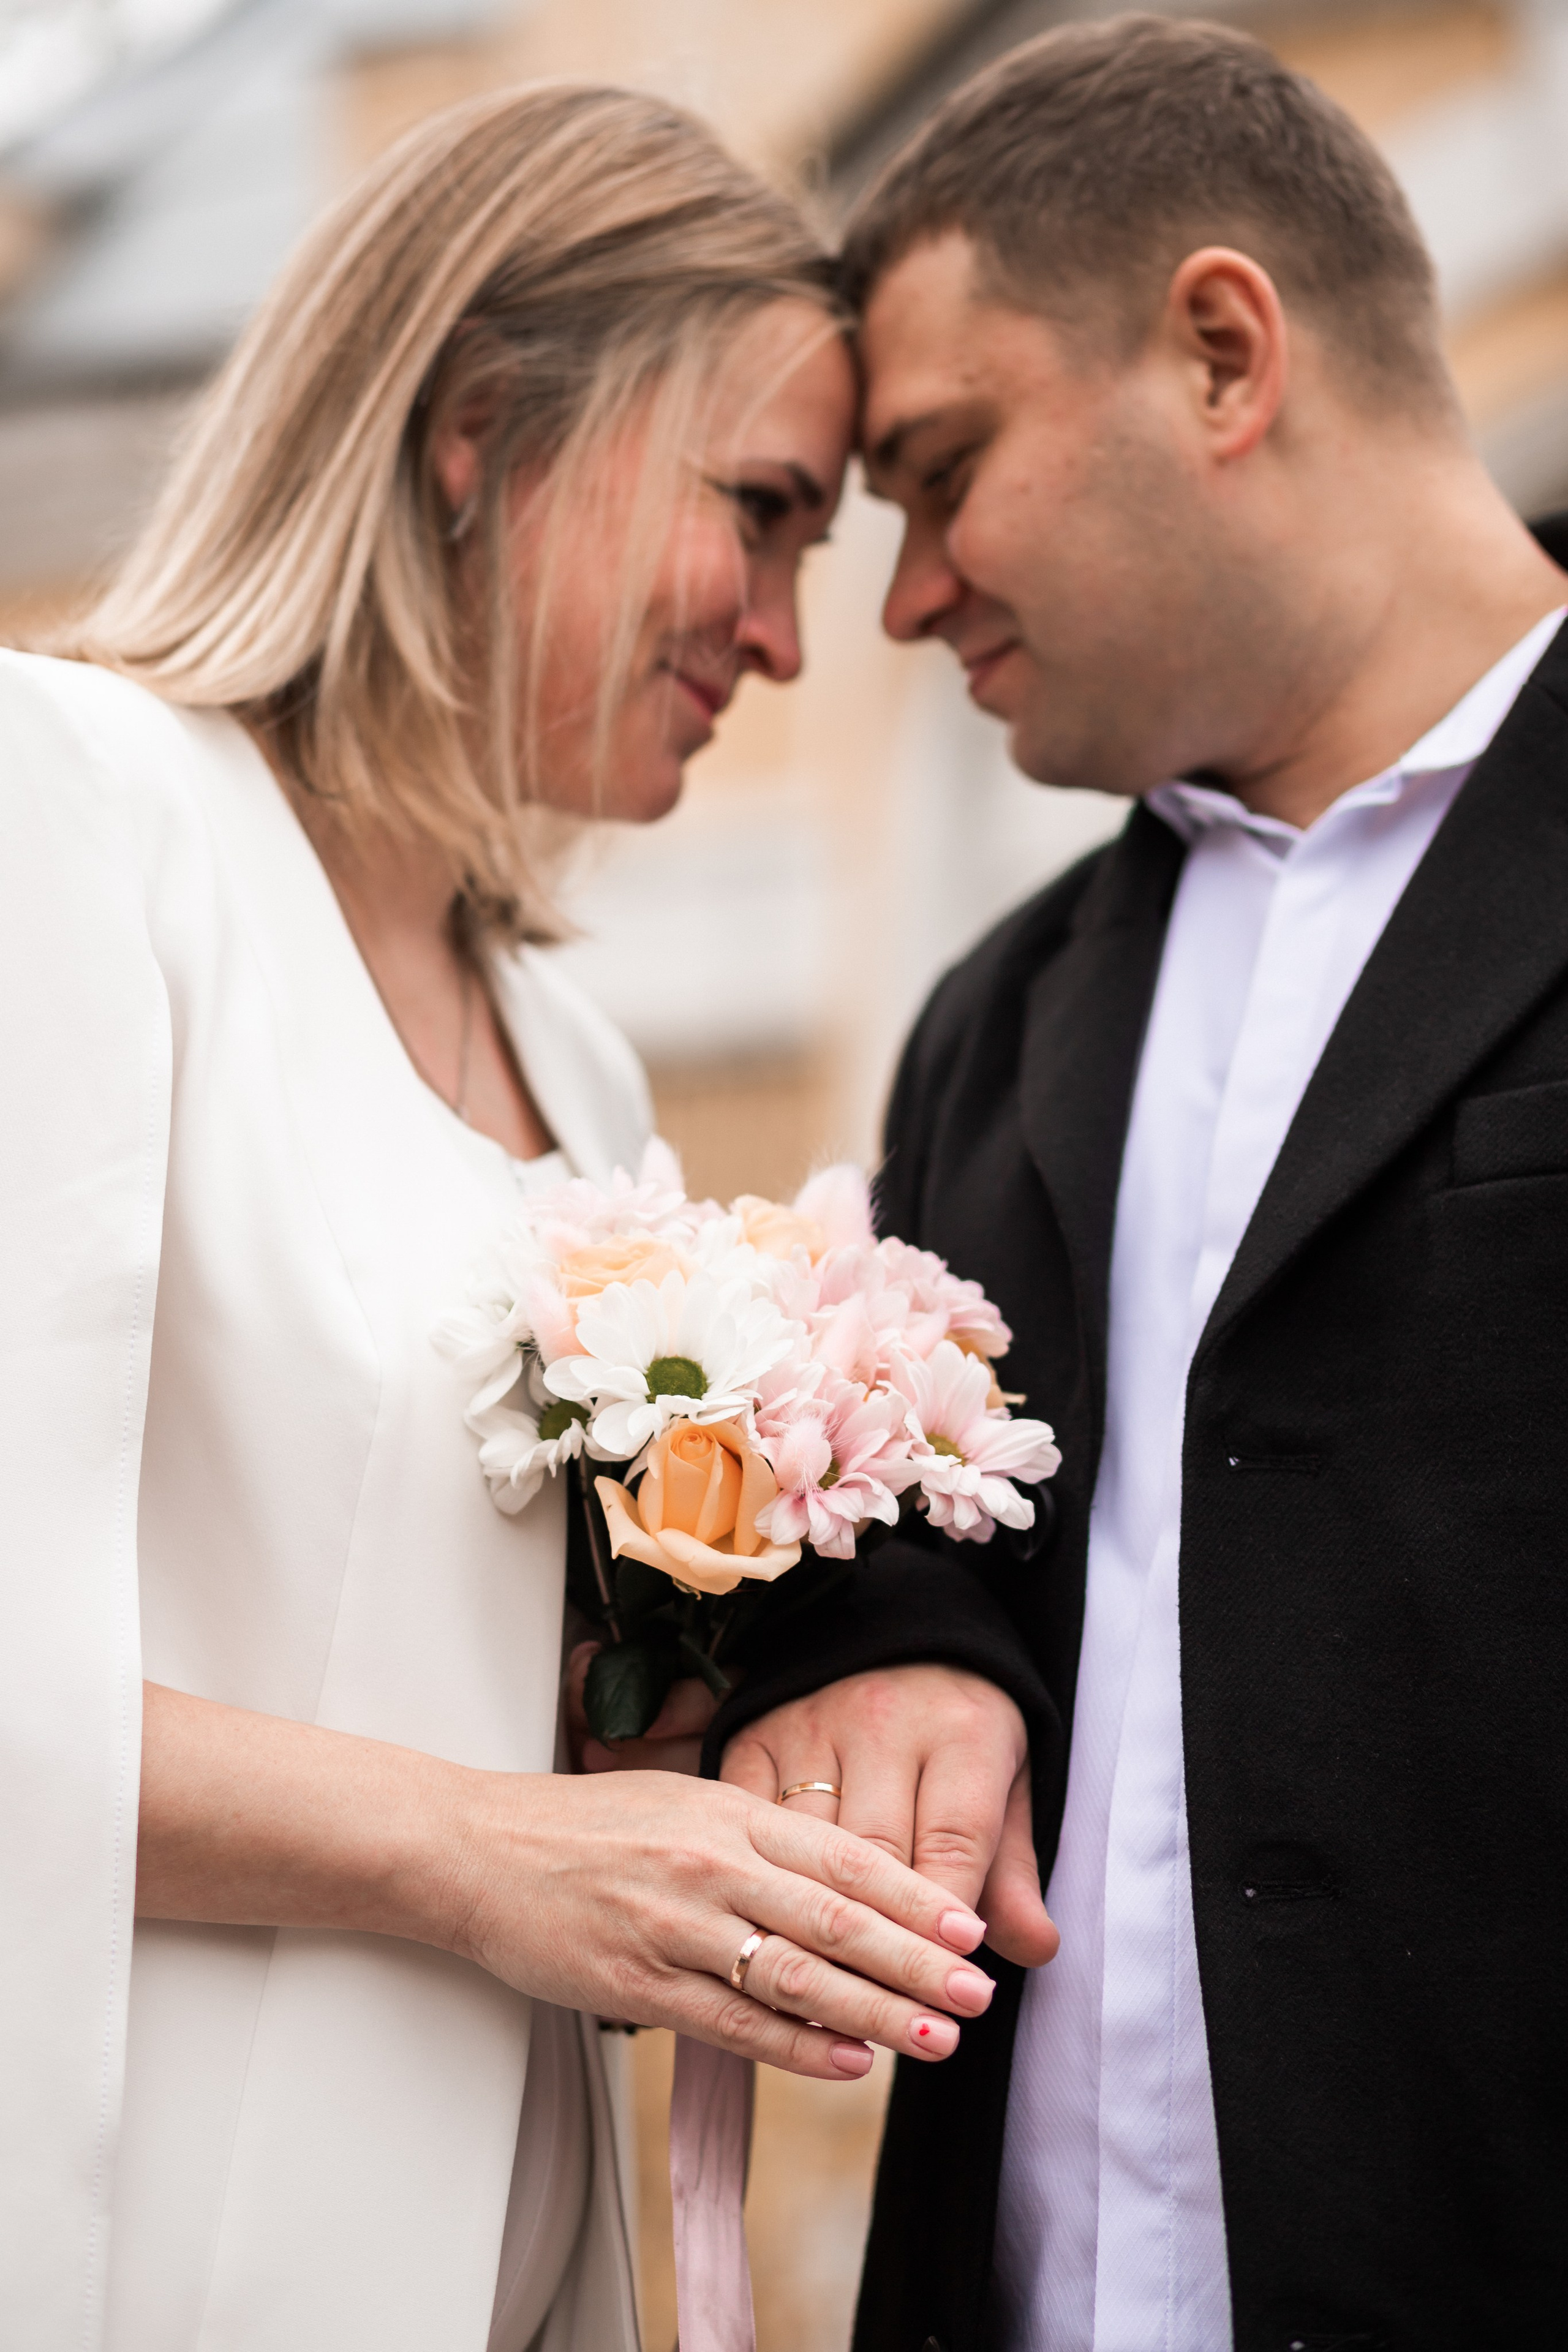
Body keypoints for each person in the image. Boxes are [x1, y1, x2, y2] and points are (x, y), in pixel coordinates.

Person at [0, 85, 1001, 2352]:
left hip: (519, 2246)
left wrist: (735, 1737)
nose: (781, 639)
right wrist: (493, 1853)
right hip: (148, 2227)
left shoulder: (586, 1066)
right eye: (756, 515)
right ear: (478, 435)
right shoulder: (70, 821)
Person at [708, 15, 1568, 2349]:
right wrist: (890, 1634)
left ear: (1220, 351)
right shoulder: (995, 1022)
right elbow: (920, 1566)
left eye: (942, 469)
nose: (901, 599)